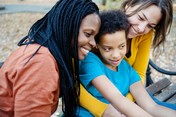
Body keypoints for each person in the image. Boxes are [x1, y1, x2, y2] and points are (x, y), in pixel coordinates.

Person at [0, 0, 101, 116]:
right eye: (88, 34)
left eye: (96, 37)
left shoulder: (38, 48)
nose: (94, 43)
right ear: (67, 26)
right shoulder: (40, 62)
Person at [79, 0, 176, 116]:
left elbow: (150, 105)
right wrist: (105, 110)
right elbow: (70, 82)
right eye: (140, 18)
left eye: (151, 26)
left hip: (128, 98)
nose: (141, 28)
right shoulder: (91, 59)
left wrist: (126, 105)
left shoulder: (127, 68)